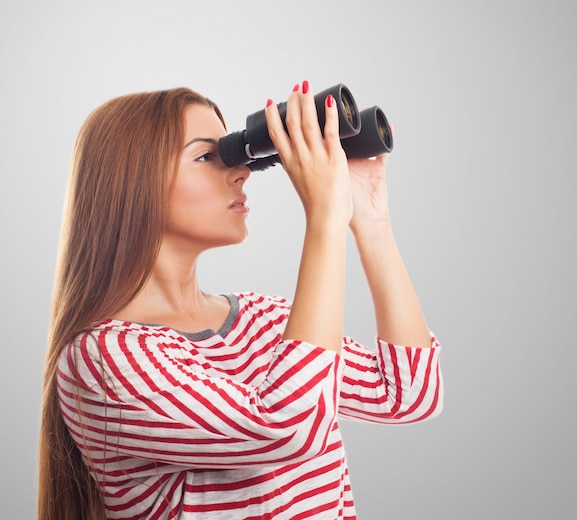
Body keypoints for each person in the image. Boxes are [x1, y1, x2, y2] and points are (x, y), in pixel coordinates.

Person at [38, 81, 443, 519]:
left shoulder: (264, 319)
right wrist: (324, 220)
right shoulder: (103, 359)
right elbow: (287, 427)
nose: (242, 170)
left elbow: (407, 394)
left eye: (230, 152)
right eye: (206, 156)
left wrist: (371, 223)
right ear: (133, 182)